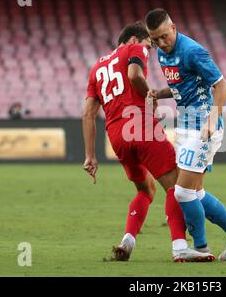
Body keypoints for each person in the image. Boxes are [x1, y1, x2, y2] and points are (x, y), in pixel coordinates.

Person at [82, 21, 214, 262]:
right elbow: (134, 74)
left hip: (116, 135)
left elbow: (88, 114)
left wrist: (90, 156)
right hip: (140, 125)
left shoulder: (96, 68)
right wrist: (150, 95)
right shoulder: (134, 48)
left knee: (146, 189)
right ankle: (180, 246)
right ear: (134, 39)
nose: (150, 50)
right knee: (177, 187)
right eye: (148, 45)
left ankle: (128, 240)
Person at [145, 9, 226, 261]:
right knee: (196, 193)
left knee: (182, 193)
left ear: (174, 28)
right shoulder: (162, 53)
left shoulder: (193, 51)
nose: (161, 43)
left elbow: (222, 86)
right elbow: (182, 87)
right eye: (155, 40)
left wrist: (212, 120)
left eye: (164, 36)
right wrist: (159, 94)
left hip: (203, 127)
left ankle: (201, 248)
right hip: (184, 126)